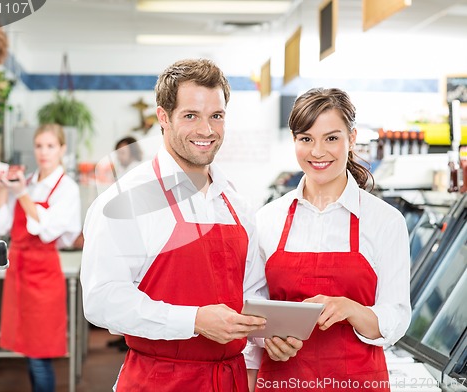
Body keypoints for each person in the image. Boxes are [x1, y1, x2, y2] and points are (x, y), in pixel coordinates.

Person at [80, 58, 302, 392]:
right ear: (163, 118)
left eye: (216, 116)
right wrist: (194, 321)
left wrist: (268, 338)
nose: (206, 130)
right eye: (190, 116)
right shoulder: (126, 201)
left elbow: (251, 295)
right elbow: (101, 300)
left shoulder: (236, 205)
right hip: (158, 381)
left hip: (230, 381)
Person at [247, 88, 411, 391]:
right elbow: (252, 308)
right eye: (306, 138)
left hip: (358, 382)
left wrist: (350, 308)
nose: (317, 151)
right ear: (294, 141)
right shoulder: (267, 219)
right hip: (282, 381)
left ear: (352, 138)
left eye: (331, 138)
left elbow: (397, 317)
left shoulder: (384, 221)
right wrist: (265, 337)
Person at [0, 123, 82, 392]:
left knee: (40, 354)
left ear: (62, 149)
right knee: (27, 352)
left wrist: (23, 195)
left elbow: (47, 230)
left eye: (51, 146)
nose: (44, 152)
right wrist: (4, 190)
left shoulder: (67, 189)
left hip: (43, 273)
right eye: (39, 146)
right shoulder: (26, 181)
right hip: (18, 271)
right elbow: (0, 225)